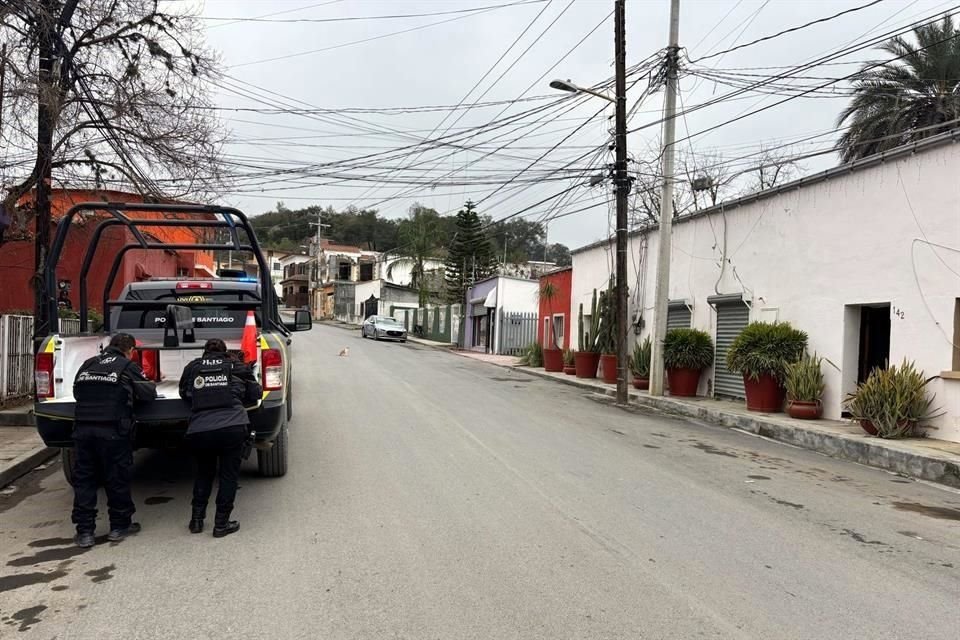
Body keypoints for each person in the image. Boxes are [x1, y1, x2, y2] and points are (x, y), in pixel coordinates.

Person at [72, 332, 157, 548]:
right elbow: (148, 393)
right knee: (116, 478)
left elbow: (76, 391)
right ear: (130, 350)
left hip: (83, 429)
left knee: (85, 480)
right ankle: (119, 527)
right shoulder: (126, 367)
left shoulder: (88, 363)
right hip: (112, 431)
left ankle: (85, 532)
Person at [179, 338, 261, 538]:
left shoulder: (193, 367)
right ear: (225, 352)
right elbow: (255, 393)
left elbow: (184, 392)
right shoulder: (236, 366)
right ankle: (221, 525)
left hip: (200, 428)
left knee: (204, 473)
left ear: (204, 352)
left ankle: (196, 521)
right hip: (232, 427)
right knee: (228, 476)